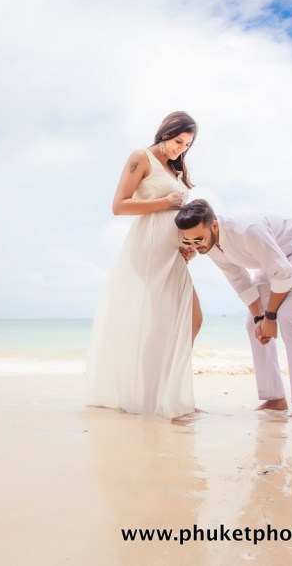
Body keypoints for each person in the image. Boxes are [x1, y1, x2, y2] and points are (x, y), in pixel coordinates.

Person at [85, 112, 202, 419]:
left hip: (172, 252)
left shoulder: (173, 168)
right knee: (166, 322)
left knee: (191, 319)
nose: (181, 149)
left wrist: (186, 245)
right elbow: (119, 205)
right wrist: (165, 202)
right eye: (178, 141)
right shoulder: (141, 158)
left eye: (187, 145)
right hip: (149, 250)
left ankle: (166, 391)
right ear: (165, 133)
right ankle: (153, 397)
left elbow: (177, 216)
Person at [175, 199, 292, 418]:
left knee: (289, 317)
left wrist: (270, 317)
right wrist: (259, 318)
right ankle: (275, 399)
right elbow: (239, 279)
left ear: (214, 226)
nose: (196, 246)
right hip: (269, 261)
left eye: (199, 239)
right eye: (190, 242)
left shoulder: (247, 231)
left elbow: (283, 274)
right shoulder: (209, 246)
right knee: (253, 325)